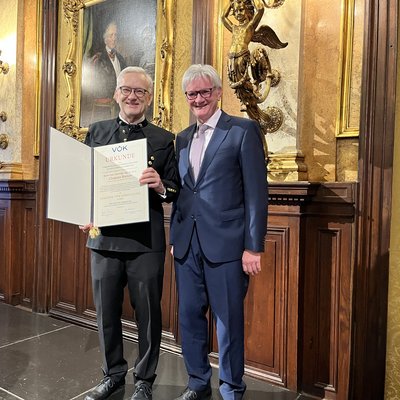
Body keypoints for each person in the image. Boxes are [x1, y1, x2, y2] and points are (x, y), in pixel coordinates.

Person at [80, 66, 179, 400]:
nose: (132, 96)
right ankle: (113, 375)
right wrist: (82, 210)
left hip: (145, 241)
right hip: (103, 237)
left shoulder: (165, 139)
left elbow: (177, 188)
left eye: (140, 92)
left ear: (149, 98)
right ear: (117, 92)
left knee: (148, 314)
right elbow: (85, 180)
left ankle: (145, 380)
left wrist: (161, 185)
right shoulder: (97, 131)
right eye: (127, 90)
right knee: (106, 311)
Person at [170, 64, 268, 400]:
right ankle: (197, 383)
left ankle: (231, 388)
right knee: (189, 318)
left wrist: (253, 248)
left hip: (227, 245)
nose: (198, 99)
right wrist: (174, 238)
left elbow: (257, 193)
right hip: (187, 245)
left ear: (217, 92)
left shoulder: (242, 131)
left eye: (204, 92)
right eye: (192, 94)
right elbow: (185, 191)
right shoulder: (181, 138)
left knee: (228, 323)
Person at [89, 21, 128, 121]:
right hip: (108, 95)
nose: (114, 38)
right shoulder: (99, 58)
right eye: (111, 35)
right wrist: (114, 92)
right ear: (105, 39)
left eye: (115, 35)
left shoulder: (120, 58)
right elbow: (98, 85)